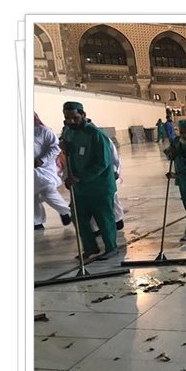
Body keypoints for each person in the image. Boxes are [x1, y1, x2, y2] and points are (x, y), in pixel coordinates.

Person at [60, 101, 118, 261]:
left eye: (75, 118)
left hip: (99, 186)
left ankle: (111, 248)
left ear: (83, 115)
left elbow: (103, 162)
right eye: (67, 118)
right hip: (80, 188)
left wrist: (80, 177)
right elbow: (70, 155)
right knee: (78, 217)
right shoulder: (69, 132)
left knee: (104, 219)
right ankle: (90, 247)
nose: (71, 121)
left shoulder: (96, 134)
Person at [34, 112, 72, 230]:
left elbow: (55, 148)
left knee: (47, 191)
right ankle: (37, 222)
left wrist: (42, 160)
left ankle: (66, 212)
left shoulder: (45, 131)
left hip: (44, 169)